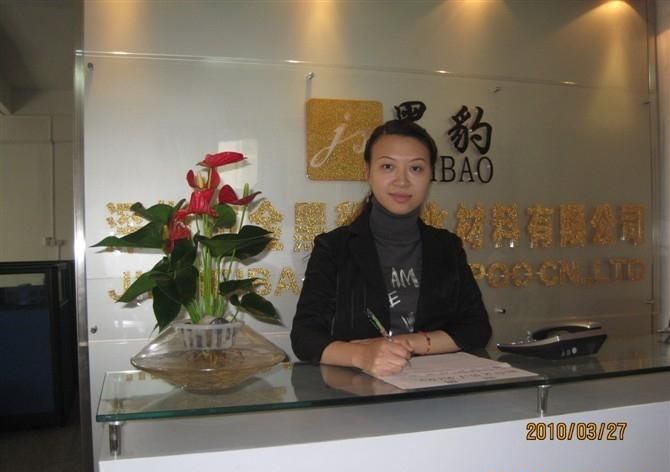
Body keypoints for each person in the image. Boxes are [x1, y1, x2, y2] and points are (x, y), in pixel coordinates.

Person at [290, 119, 491, 376]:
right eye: (388, 166)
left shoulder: (446, 247)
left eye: (416, 168)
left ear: (430, 175)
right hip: (355, 391)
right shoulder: (334, 248)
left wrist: (405, 344)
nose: (402, 181)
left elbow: (476, 328)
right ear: (368, 172)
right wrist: (362, 356)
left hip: (433, 388)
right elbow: (305, 337)